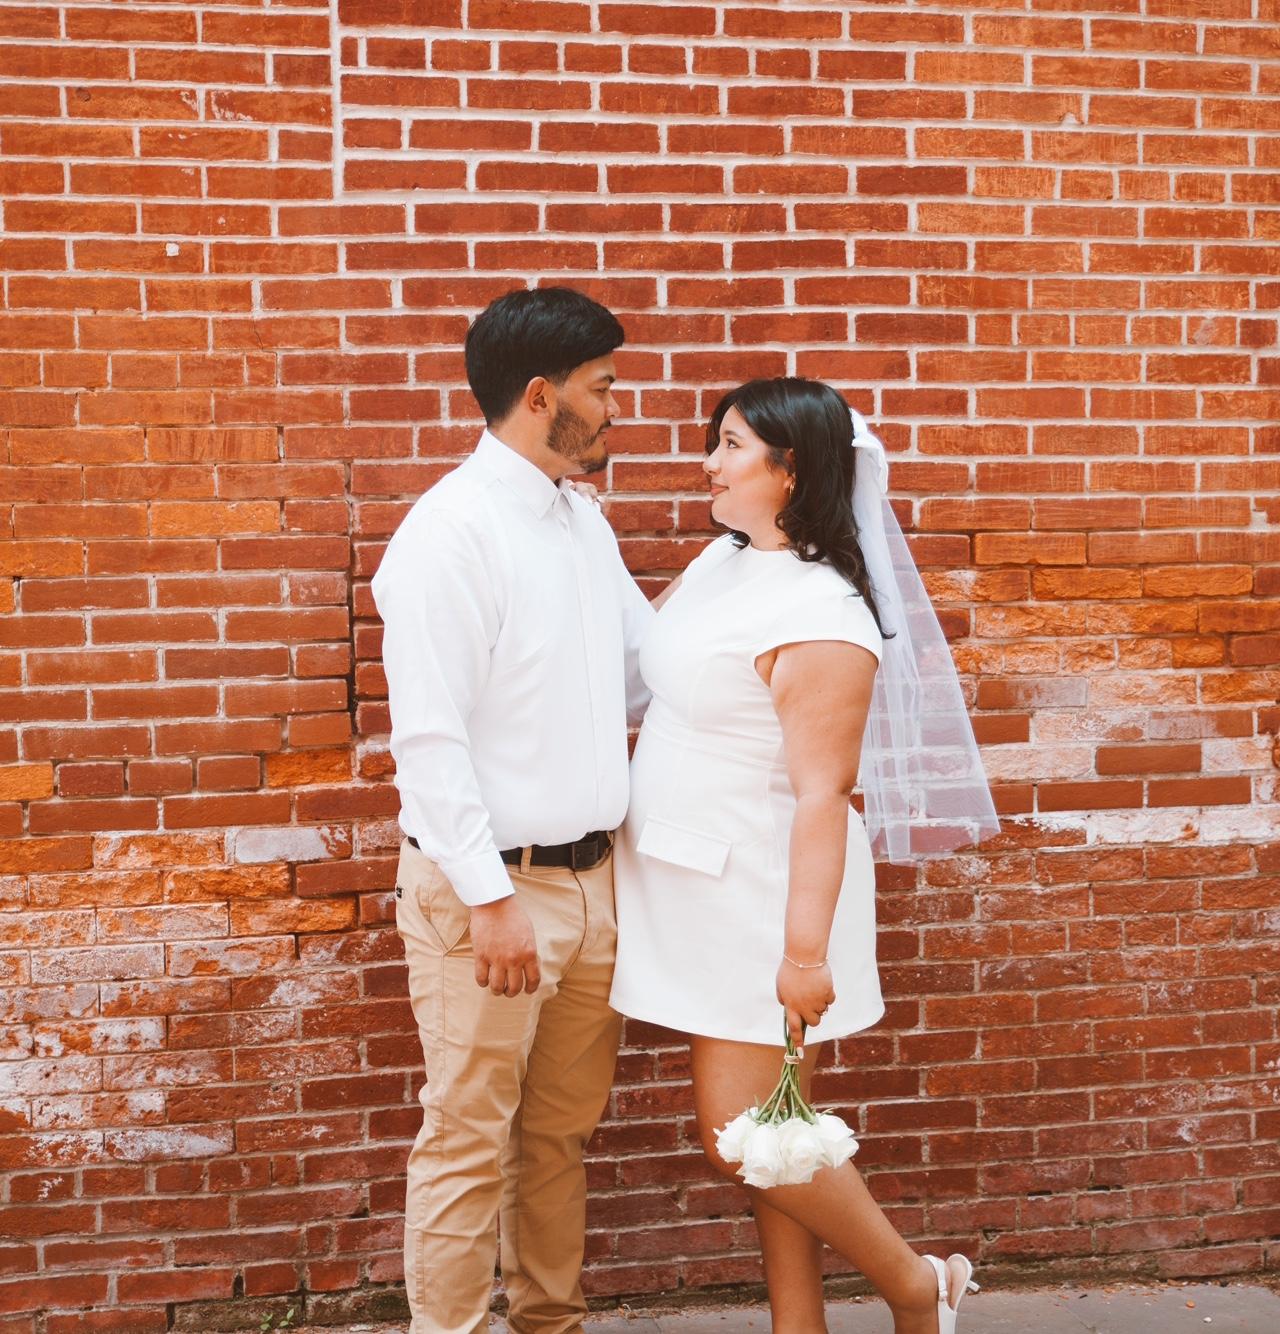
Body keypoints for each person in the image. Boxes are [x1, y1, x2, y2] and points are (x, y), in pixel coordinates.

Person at [610, 377, 999, 1334]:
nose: (709, 462)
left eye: (731, 445)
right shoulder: (724, 560)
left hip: (763, 902)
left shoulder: (823, 615)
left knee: (738, 1137)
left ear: (790, 472)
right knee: (774, 1135)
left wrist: (803, 955)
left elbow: (824, 797)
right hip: (689, 889)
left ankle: (918, 1286)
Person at [371, 286, 653, 1334]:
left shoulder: (580, 519)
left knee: (557, 1138)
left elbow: (643, 671)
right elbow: (429, 739)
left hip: (591, 885)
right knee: (466, 1137)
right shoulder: (450, 534)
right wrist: (489, 899)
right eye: (603, 389)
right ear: (542, 397)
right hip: (492, 890)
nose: (616, 408)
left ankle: (549, 1322)